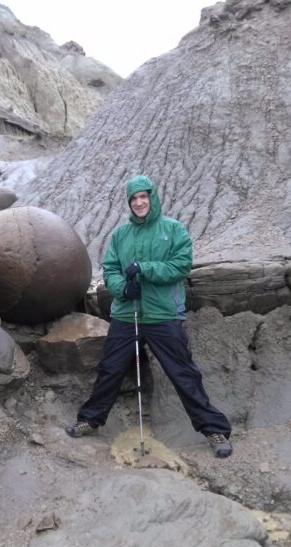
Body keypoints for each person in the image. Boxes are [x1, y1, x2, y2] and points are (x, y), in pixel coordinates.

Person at [65, 175, 233, 458]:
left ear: (152, 198)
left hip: (163, 314)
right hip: (126, 313)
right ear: (129, 203)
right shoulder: (120, 235)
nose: (139, 202)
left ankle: (214, 429)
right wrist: (122, 288)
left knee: (183, 373)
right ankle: (89, 419)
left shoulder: (173, 229)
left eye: (143, 197)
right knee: (110, 369)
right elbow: (111, 269)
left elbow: (180, 266)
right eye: (134, 199)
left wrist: (144, 268)